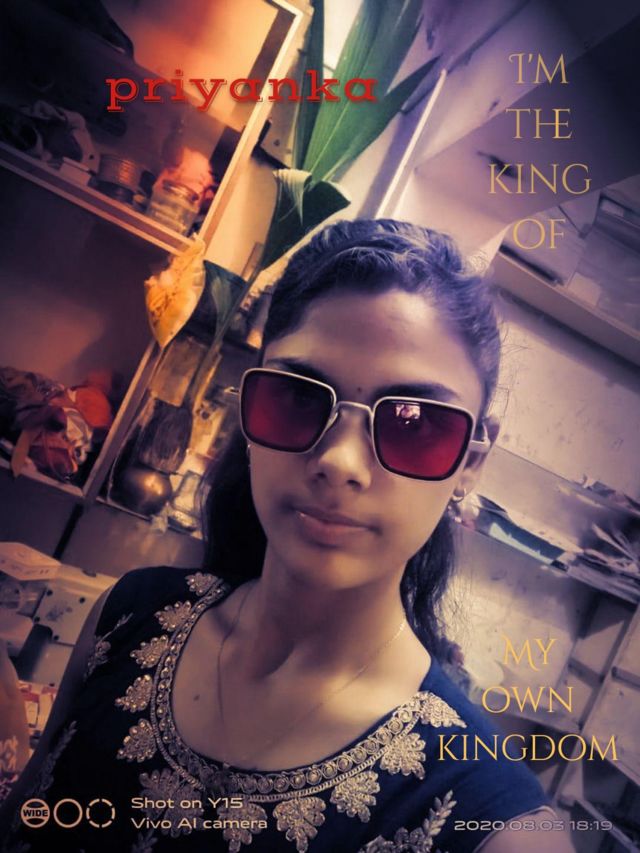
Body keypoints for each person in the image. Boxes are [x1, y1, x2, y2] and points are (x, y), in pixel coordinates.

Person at [0, 220, 574, 853]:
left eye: (414, 423)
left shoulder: (498, 826)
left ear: (469, 464)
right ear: (251, 408)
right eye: (300, 398)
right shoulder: (128, 616)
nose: (340, 462)